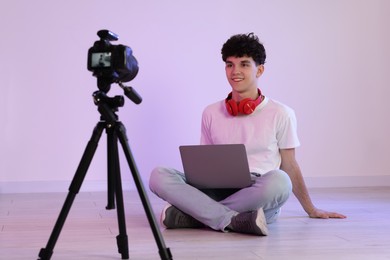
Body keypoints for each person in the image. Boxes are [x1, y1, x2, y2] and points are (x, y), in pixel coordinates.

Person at [149, 33, 346, 236]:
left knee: (280, 181)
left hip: (257, 190)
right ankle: (235, 220)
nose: (235, 71)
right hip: (217, 187)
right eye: (229, 65)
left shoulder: (281, 113)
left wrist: (311, 209)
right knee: (158, 175)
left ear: (259, 70)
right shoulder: (210, 112)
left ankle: (197, 215)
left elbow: (290, 164)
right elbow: (204, 162)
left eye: (244, 64)